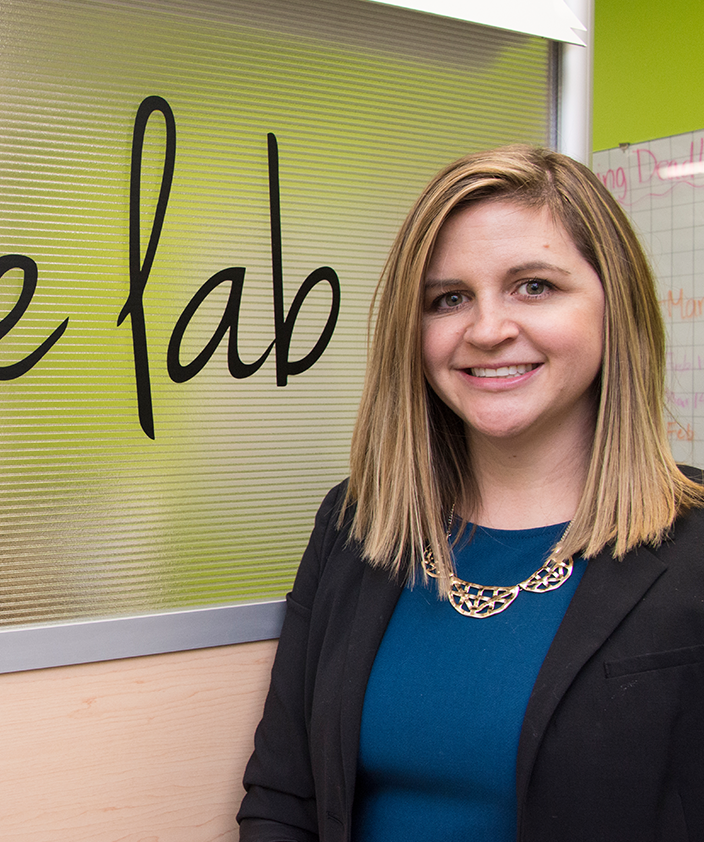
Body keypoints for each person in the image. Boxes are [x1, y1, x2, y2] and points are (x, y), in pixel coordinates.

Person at [237, 145, 704, 842]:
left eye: (535, 286)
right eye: (448, 299)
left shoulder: (693, 541)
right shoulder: (358, 523)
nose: (486, 331)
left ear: (616, 303)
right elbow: (283, 800)